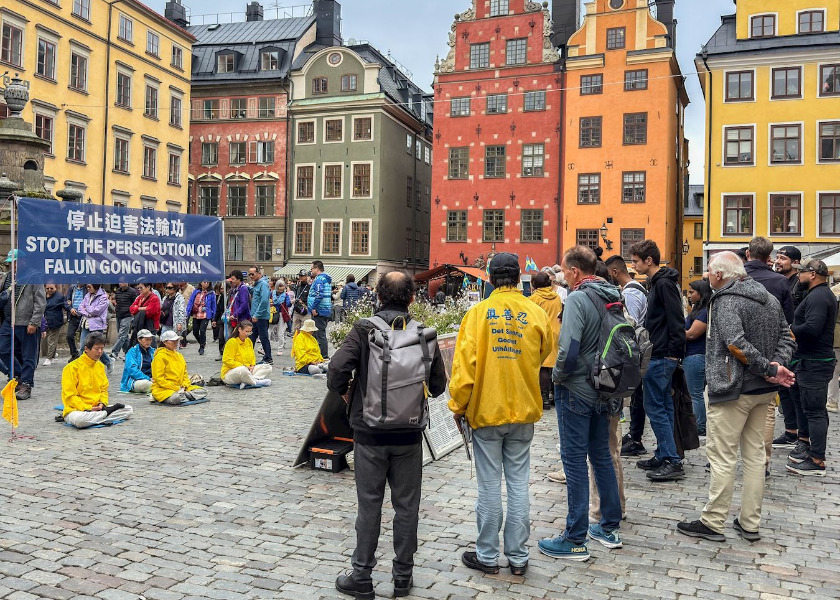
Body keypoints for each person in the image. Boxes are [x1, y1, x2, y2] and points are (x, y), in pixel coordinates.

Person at [328, 272, 446, 600]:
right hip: (408, 436)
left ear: (378, 296)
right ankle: (403, 578)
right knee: (407, 506)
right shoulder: (423, 335)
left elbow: (337, 369)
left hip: (369, 433)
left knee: (369, 505)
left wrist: (343, 393)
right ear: (411, 298)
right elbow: (438, 387)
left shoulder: (364, 330)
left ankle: (362, 576)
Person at [677, 252, 795, 542]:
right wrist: (774, 367)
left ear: (719, 274)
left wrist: (769, 367)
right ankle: (750, 522)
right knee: (755, 456)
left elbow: (735, 343)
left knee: (723, 456)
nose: (707, 276)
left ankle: (713, 520)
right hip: (762, 389)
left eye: (708, 271)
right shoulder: (768, 297)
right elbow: (787, 336)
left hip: (734, 389)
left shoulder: (726, 300)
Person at [448, 253, 550, 575]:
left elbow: (465, 369)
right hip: (523, 409)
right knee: (519, 484)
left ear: (491, 279)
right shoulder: (535, 312)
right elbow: (544, 352)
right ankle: (518, 557)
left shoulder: (477, 314)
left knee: (489, 485)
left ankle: (488, 556)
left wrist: (457, 406)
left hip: (487, 411)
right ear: (519, 277)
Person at [538, 246, 623, 562]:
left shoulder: (576, 298)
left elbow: (570, 347)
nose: (561, 275)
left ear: (574, 271)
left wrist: (557, 376)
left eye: (563, 270)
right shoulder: (612, 294)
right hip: (606, 385)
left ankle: (574, 538)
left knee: (573, 459)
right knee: (600, 454)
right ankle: (608, 526)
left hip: (577, 389)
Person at [629, 239, 687, 482]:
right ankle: (664, 453)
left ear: (648, 260)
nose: (633, 266)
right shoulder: (658, 283)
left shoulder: (663, 284)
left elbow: (676, 319)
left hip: (662, 355)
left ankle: (672, 460)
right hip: (660, 353)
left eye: (635, 261)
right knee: (662, 407)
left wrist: (675, 352)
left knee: (656, 409)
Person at [786, 259, 836, 476]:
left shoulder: (818, 296)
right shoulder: (819, 294)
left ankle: (817, 460)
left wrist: (790, 330)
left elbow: (813, 328)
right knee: (810, 408)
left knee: (815, 410)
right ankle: (809, 448)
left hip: (815, 362)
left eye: (801, 272)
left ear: (813, 274)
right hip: (809, 360)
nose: (798, 275)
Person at [605, 256, 650, 457]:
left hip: (632, 352)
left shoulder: (630, 294)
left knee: (635, 397)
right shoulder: (637, 289)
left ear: (614, 272)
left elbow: (626, 324)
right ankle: (635, 436)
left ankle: (635, 437)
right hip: (638, 350)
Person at [61, 333, 133, 429]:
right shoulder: (71, 368)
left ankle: (101, 416)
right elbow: (70, 396)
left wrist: (102, 403)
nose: (100, 352)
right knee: (80, 420)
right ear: (86, 349)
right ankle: (105, 415)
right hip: (78, 411)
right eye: (96, 349)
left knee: (128, 410)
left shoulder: (100, 366)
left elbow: (104, 390)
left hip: (98, 409)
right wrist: (88, 408)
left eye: (102, 349)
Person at [0, 250, 46, 400]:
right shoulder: (7, 277)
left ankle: (26, 383)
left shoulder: (34, 276)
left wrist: (34, 322)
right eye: (10, 262)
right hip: (8, 321)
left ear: (22, 261)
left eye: (13, 262)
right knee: (3, 349)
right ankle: (18, 374)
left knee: (28, 355)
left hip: (26, 322)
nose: (11, 265)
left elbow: (40, 303)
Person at [529, 271, 562, 410]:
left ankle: (544, 399)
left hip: (542, 333)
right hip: (557, 332)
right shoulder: (556, 297)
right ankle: (555, 396)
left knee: (543, 366)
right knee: (554, 365)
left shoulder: (534, 299)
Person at [744, 237, 794, 324]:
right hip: (771, 332)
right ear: (768, 257)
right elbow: (788, 317)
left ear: (747, 253)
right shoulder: (780, 281)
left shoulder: (734, 276)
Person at [684, 280, 712, 436]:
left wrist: (673, 330)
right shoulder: (697, 310)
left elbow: (692, 334)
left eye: (691, 292)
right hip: (694, 355)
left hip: (696, 355)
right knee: (695, 393)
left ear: (701, 294)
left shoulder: (703, 312)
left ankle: (700, 426)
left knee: (695, 394)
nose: (689, 295)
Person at [151, 330, 208, 405]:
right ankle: (183, 396)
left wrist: (185, 385)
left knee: (203, 391)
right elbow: (159, 379)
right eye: (173, 341)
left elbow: (185, 374)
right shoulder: (159, 357)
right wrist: (176, 388)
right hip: (164, 389)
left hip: (181, 388)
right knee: (176, 398)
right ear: (164, 342)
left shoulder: (179, 356)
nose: (176, 343)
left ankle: (184, 395)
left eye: (176, 341)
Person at [221, 320, 273, 388]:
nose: (248, 334)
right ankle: (254, 382)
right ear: (239, 329)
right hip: (231, 372)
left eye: (250, 332)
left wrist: (252, 365)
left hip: (248, 370)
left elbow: (253, 356)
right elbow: (226, 360)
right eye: (246, 331)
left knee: (267, 367)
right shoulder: (232, 342)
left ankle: (250, 380)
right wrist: (245, 366)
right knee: (242, 370)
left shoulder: (248, 341)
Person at [78, 284, 113, 374]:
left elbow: (97, 310)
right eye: (87, 287)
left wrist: (87, 309)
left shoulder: (103, 297)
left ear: (96, 287)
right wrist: (88, 312)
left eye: (90, 287)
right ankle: (84, 366)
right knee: (83, 347)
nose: (88, 289)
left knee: (96, 348)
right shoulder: (87, 295)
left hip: (97, 325)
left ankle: (108, 361)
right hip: (86, 324)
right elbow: (80, 308)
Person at [247, 265, 273, 365]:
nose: (250, 276)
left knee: (263, 337)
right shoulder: (257, 284)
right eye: (249, 274)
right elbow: (254, 292)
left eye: (252, 274)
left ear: (259, 273)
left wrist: (257, 315)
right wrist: (247, 287)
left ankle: (268, 358)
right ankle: (248, 356)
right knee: (251, 338)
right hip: (256, 316)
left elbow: (264, 301)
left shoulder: (263, 284)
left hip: (260, 317)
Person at [308, 261, 333, 359]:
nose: (311, 270)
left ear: (317, 268)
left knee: (319, 334)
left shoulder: (319, 279)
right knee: (318, 333)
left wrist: (314, 307)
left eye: (312, 268)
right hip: (323, 310)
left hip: (319, 311)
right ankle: (318, 354)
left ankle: (324, 356)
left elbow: (319, 294)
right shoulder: (325, 279)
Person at [108, 282, 138, 362]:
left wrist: (132, 313)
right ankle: (129, 353)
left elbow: (135, 303)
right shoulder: (118, 291)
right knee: (124, 336)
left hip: (127, 315)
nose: (120, 283)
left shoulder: (132, 292)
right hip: (119, 315)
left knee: (122, 335)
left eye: (123, 282)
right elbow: (117, 302)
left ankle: (114, 353)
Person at [120, 329, 155, 394]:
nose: (148, 342)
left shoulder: (153, 351)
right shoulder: (132, 352)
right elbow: (133, 370)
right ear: (139, 340)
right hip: (136, 380)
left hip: (152, 379)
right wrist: (148, 378)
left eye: (150, 339)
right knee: (146, 384)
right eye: (146, 339)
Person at [186, 281, 216, 356]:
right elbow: (191, 302)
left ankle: (201, 347)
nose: (205, 284)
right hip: (196, 314)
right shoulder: (196, 292)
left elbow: (213, 305)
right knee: (195, 331)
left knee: (202, 330)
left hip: (205, 315)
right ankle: (202, 342)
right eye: (204, 282)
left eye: (207, 282)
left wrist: (213, 317)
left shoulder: (211, 293)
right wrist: (188, 312)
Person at [41, 284, 67, 366]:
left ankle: (49, 358)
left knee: (52, 340)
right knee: (44, 340)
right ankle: (51, 353)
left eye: (51, 288)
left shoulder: (59, 297)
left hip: (55, 321)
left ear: (56, 288)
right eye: (47, 288)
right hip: (45, 321)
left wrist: (71, 309)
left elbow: (65, 305)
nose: (49, 290)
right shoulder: (42, 296)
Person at [129, 283, 161, 347]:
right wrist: (141, 308)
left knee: (150, 346)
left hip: (150, 326)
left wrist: (137, 308)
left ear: (148, 287)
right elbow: (131, 309)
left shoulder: (154, 298)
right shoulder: (140, 297)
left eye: (141, 288)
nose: (139, 290)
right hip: (140, 325)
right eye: (138, 288)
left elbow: (149, 312)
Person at [227, 271, 252, 342]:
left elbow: (244, 305)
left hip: (241, 318)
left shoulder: (243, 289)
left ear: (239, 279)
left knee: (238, 338)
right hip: (235, 318)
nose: (232, 281)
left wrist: (235, 314)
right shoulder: (235, 289)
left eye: (233, 279)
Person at [64, 283, 86, 361]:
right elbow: (66, 301)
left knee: (83, 338)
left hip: (84, 316)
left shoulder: (87, 288)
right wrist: (70, 308)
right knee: (69, 336)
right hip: (73, 316)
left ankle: (83, 356)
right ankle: (74, 354)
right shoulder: (72, 288)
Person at [270, 280, 292, 345]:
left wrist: (290, 303)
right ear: (277, 286)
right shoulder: (271, 293)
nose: (281, 288)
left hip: (282, 315)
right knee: (269, 331)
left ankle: (280, 348)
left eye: (282, 286)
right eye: (280, 286)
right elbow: (267, 301)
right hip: (272, 314)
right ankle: (264, 348)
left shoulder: (286, 295)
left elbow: (288, 304)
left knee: (280, 333)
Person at [179, 282, 195, 348]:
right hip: (179, 310)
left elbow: (194, 299)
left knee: (184, 326)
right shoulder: (178, 287)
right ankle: (181, 341)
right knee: (181, 326)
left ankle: (183, 341)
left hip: (187, 310)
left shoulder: (191, 288)